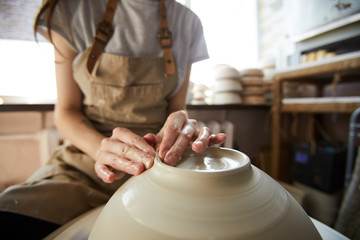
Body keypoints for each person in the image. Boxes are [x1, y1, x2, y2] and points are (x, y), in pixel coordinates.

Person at [0, 0, 226, 238]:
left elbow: (177, 109)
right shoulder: (74, 11)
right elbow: (66, 111)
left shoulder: (187, 23)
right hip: (86, 164)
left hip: (157, 166)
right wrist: (103, 150)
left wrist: (183, 127)